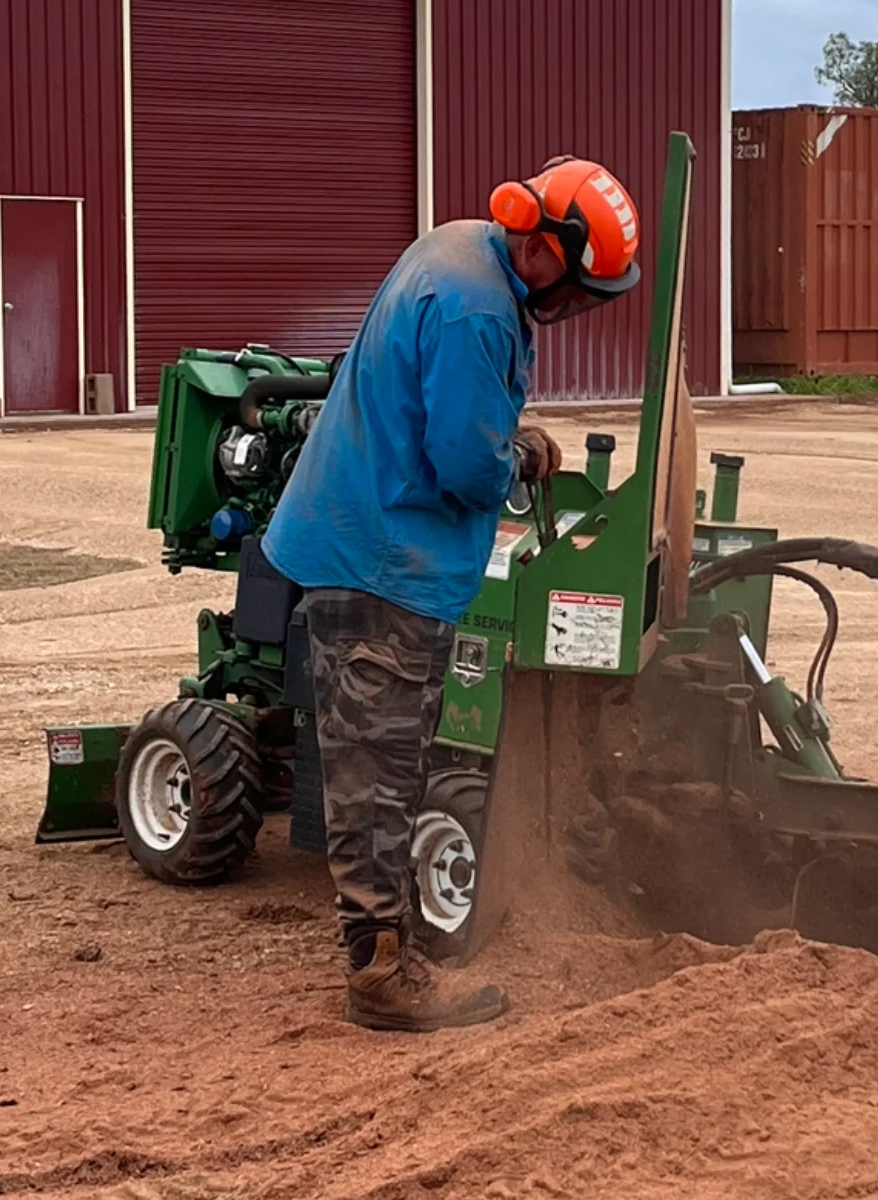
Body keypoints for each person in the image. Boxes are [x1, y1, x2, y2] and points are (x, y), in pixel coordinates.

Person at [261, 155, 644, 1032]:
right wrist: (519, 456)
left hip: (370, 534)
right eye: (580, 291)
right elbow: (467, 466)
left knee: (385, 763)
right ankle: (378, 978)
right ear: (544, 249)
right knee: (377, 771)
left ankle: (390, 948)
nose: (575, 307)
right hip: (380, 558)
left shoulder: (462, 248)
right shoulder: (479, 309)